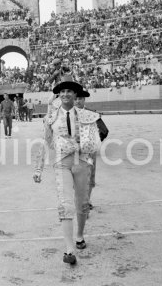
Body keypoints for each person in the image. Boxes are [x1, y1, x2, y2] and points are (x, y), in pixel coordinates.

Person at [33, 76, 101, 265]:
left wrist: (86, 146)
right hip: (61, 161)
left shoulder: (88, 116)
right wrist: (39, 168)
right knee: (65, 203)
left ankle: (79, 235)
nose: (65, 94)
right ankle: (69, 249)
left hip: (83, 162)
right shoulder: (51, 118)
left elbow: (96, 144)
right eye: (61, 92)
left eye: (68, 92)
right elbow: (45, 142)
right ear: (58, 96)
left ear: (75, 95)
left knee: (82, 203)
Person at [74, 90, 109, 210]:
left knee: (89, 177)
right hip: (73, 152)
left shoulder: (92, 114)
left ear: (84, 100)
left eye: (80, 98)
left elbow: (104, 130)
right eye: (76, 99)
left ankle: (85, 201)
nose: (78, 101)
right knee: (76, 177)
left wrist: (93, 141)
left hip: (88, 151)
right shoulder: (67, 115)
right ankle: (81, 201)